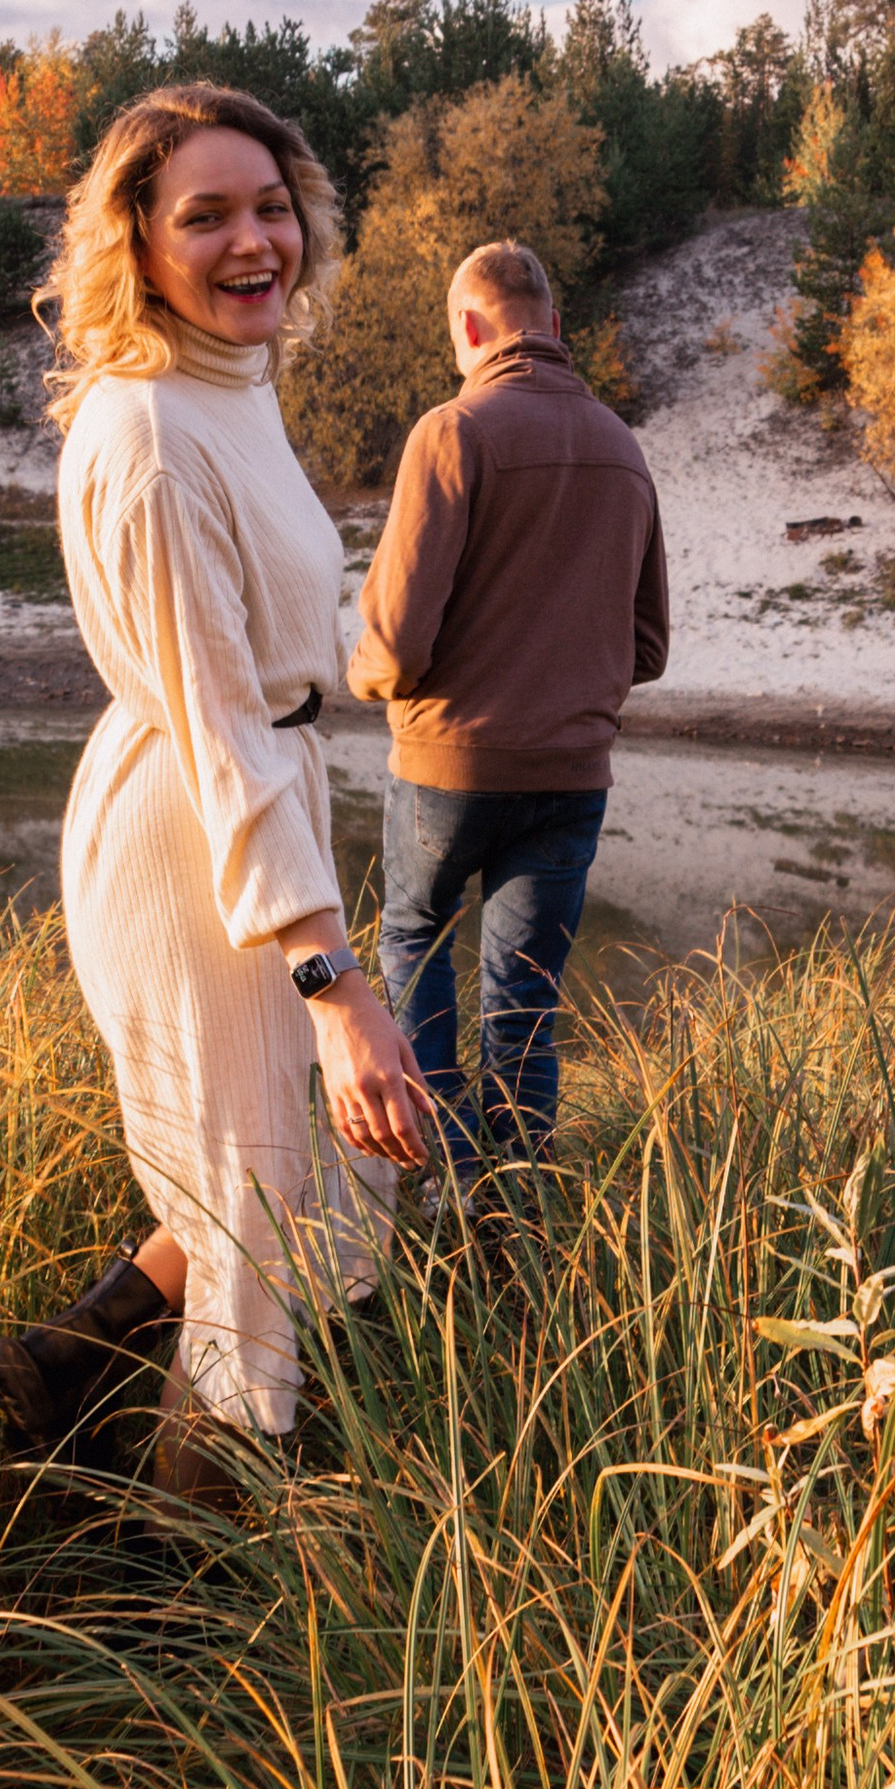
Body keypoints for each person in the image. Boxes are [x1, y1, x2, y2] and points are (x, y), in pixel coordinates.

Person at [0, 83, 432, 1508]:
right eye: (207, 216)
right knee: (258, 1241)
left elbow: (260, 685)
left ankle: (67, 1366)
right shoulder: (158, 438)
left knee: (285, 1187)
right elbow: (224, 723)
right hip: (196, 833)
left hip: (246, 795)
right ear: (138, 242)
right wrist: (337, 985)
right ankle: (189, 1628)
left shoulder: (227, 390)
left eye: (272, 207)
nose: (255, 244)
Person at [347, 240, 669, 1191]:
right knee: (524, 1002)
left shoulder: (452, 432)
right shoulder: (622, 446)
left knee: (413, 938)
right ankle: (514, 1214)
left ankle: (435, 1187)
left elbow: (398, 642)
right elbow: (649, 647)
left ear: (470, 330)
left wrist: (367, 679)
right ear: (556, 327)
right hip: (571, 779)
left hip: (450, 766)